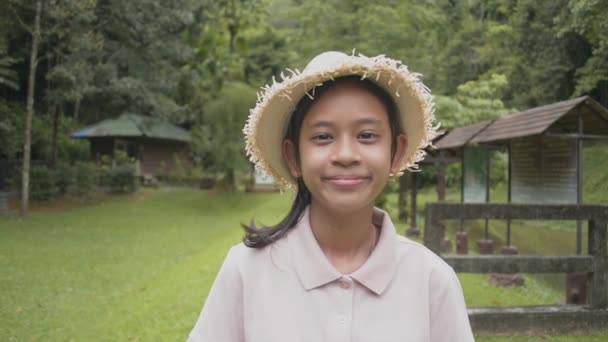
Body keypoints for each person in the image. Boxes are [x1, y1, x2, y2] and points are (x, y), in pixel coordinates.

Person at [188, 51, 475, 342]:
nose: (346, 155)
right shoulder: (247, 270)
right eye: (323, 136)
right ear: (293, 157)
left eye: (367, 135)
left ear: (396, 152)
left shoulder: (431, 280)